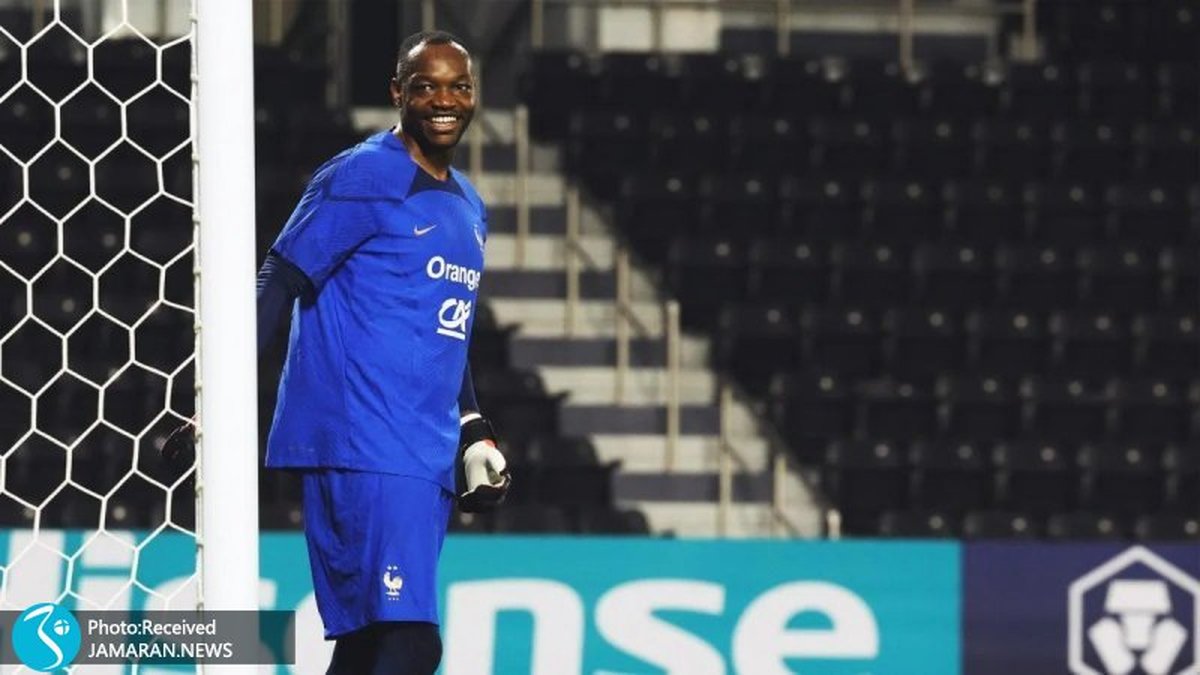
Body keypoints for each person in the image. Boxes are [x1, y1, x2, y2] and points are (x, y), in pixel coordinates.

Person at [168, 30, 510, 675]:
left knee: (368, 644)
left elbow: (443, 322)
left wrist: (473, 430)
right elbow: (279, 278)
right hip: (362, 440)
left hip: (425, 451)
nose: (445, 100)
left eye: (459, 86)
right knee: (410, 644)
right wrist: (217, 398)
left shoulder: (469, 203)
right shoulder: (365, 173)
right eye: (427, 86)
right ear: (398, 92)